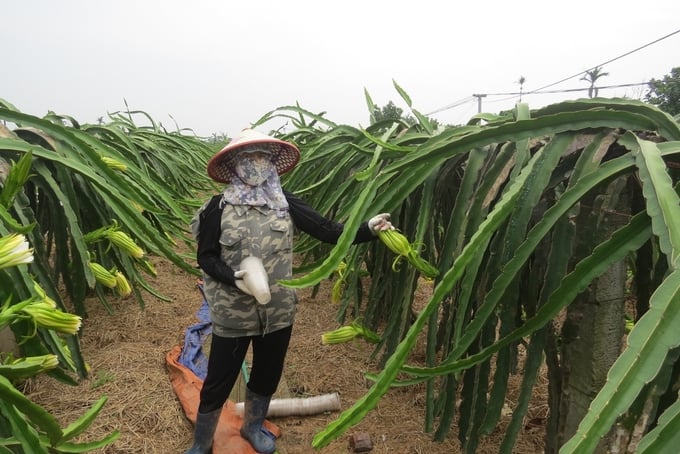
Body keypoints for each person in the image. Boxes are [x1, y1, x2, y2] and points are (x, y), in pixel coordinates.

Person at [185, 129, 392, 454]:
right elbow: (206, 257)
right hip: (232, 313)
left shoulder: (286, 202)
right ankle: (201, 443)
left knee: (267, 374)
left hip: (278, 311)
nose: (256, 164)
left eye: (263, 157)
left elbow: (328, 231)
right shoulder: (218, 207)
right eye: (248, 158)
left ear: (271, 163)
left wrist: (368, 229)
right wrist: (233, 276)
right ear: (236, 165)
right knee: (218, 381)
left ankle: (252, 427)